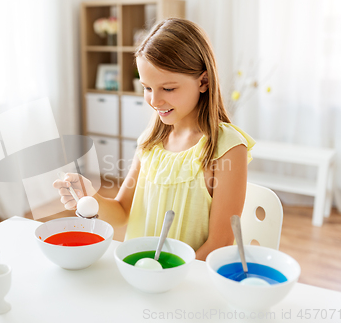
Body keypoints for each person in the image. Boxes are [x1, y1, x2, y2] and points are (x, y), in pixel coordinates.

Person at [53, 18, 255, 261]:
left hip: (185, 283)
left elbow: (219, 242)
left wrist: (167, 275)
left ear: (203, 82)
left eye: (168, 89)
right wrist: (89, 197)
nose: (154, 101)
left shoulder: (227, 148)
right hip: (139, 272)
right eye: (147, 88)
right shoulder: (150, 143)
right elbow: (121, 211)